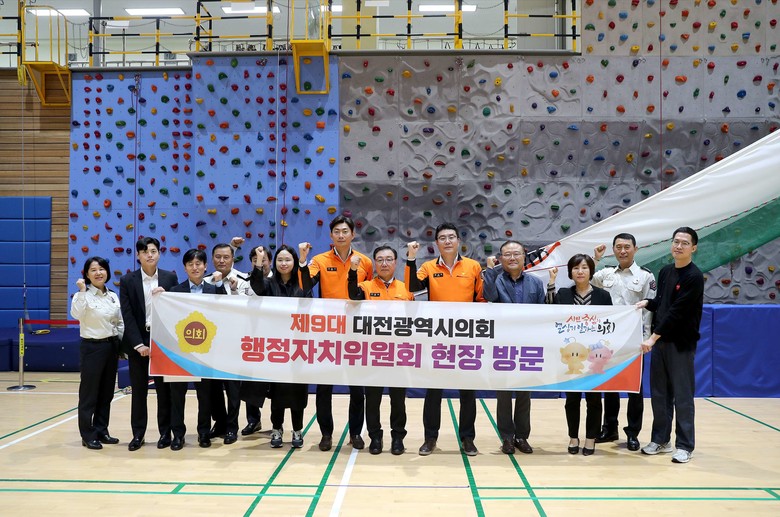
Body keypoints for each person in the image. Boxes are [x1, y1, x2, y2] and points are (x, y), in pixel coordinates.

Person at [405, 222, 485, 457]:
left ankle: (468, 439)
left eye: (451, 237)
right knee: (433, 392)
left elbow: (481, 299)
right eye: (442, 238)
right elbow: (411, 287)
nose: (447, 241)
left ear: (459, 241)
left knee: (467, 392)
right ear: (436, 243)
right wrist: (411, 258)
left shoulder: (473, 266)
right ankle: (430, 438)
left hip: (466, 338)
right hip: (438, 338)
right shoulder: (429, 267)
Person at [298, 215, 373, 452]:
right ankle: (326, 434)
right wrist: (302, 261)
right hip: (328, 333)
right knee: (324, 388)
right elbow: (305, 286)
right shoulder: (319, 260)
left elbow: (370, 294)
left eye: (345, 231)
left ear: (353, 234)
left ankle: (355, 433)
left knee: (357, 388)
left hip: (356, 333)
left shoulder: (365, 262)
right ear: (331, 235)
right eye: (337, 232)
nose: (341, 235)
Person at [637, 227, 704, 464]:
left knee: (682, 396)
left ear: (693, 248)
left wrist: (652, 338)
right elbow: (663, 302)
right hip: (661, 343)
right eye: (676, 242)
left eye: (685, 243)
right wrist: (647, 303)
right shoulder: (666, 271)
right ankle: (661, 440)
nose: (679, 246)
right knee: (659, 394)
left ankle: (685, 445)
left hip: (680, 344)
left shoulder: (694, 276)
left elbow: (677, 311)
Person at [591, 233, 656, 451]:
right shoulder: (606, 273)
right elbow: (586, 280)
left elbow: (649, 308)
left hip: (634, 341)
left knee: (634, 388)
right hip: (608, 340)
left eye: (627, 247)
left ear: (635, 249)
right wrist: (596, 259)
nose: (622, 251)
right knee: (610, 385)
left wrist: (647, 338)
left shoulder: (645, 276)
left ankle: (633, 433)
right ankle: (610, 428)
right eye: (618, 247)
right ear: (613, 250)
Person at [347, 245, 414, 455]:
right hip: (373, 353)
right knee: (373, 399)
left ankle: (398, 437)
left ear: (395, 262)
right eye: (380, 260)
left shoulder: (406, 289)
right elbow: (353, 295)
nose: (384, 263)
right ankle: (375, 436)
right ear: (375, 263)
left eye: (388, 259)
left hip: (399, 353)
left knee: (398, 400)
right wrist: (352, 271)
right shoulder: (366, 286)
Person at [482, 240, 546, 455]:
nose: (512, 258)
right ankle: (507, 437)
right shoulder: (496, 279)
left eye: (516, 254)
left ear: (524, 256)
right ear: (500, 258)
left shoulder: (536, 283)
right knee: (503, 393)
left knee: (524, 393)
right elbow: (489, 296)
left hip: (528, 344)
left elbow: (542, 312)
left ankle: (522, 436)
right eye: (507, 254)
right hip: (503, 344)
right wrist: (489, 271)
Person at [548, 254, 612, 456]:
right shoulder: (564, 293)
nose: (580, 271)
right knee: (572, 399)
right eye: (576, 268)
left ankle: (591, 438)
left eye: (584, 267)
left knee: (594, 400)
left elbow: (611, 324)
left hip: (595, 356)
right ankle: (573, 437)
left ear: (591, 271)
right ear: (570, 272)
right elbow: (549, 313)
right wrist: (551, 282)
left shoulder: (603, 296)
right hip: (572, 356)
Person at [249, 244, 312, 449]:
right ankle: (276, 428)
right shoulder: (268, 284)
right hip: (276, 347)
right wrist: (260, 260)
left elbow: (309, 293)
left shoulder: (302, 284)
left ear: (294, 263)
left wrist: (303, 259)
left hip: (298, 345)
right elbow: (256, 287)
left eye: (288, 260)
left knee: (297, 391)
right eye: (280, 260)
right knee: (276, 393)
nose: (283, 263)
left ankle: (297, 429)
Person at [119, 237, 178, 452]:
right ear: (138, 255)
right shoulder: (128, 280)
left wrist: (167, 295)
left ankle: (165, 433)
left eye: (153, 251)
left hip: (163, 341)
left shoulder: (170, 277)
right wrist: (138, 344)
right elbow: (127, 315)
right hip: (138, 342)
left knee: (164, 391)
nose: (149, 255)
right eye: (145, 252)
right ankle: (138, 434)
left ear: (159, 253)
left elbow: (177, 309)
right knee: (139, 391)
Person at [168, 248, 227, 450]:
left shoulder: (213, 289)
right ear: (185, 268)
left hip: (205, 352)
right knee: (177, 395)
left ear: (205, 266)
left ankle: (203, 433)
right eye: (190, 264)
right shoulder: (174, 292)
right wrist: (159, 296)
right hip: (180, 352)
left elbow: (226, 309)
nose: (195, 267)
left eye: (198, 264)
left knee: (205, 395)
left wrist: (219, 285)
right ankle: (178, 435)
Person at [71, 256, 124, 450]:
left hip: (111, 347)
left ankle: (102, 430)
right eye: (93, 270)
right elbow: (76, 314)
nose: (98, 273)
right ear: (86, 274)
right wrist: (82, 291)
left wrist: (122, 346)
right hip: (92, 348)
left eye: (101, 269)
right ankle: (87, 434)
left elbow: (119, 322)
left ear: (107, 272)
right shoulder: (81, 295)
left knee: (106, 393)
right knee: (89, 394)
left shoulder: (113, 296)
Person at [204, 242, 248, 443]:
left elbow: (246, 309)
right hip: (210, 344)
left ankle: (232, 426)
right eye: (218, 257)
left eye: (226, 257)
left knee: (233, 388)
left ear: (233, 259)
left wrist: (235, 291)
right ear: (212, 259)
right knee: (213, 388)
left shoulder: (242, 280)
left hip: (234, 342)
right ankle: (219, 423)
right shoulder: (204, 281)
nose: (222, 261)